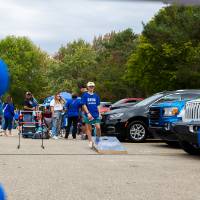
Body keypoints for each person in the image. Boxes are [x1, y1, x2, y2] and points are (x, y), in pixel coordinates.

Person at [81, 82, 101, 148]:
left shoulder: (96, 95)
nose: (91, 87)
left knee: (98, 128)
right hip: (88, 114)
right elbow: (84, 105)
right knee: (89, 129)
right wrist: (88, 113)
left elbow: (98, 105)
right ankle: (90, 141)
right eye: (90, 86)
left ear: (94, 87)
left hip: (96, 114)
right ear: (87, 87)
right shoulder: (85, 95)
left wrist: (100, 113)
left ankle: (97, 141)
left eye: (92, 86)